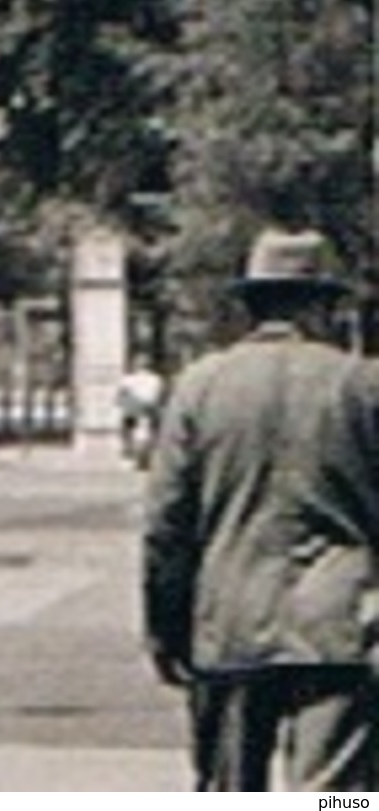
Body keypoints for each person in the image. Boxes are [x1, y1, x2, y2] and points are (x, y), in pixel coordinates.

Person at [143, 227, 379, 791]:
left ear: (251, 305)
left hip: (228, 623)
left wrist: (166, 629)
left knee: (229, 790)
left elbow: (166, 525)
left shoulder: (200, 387)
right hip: (341, 626)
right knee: (340, 797)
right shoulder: (362, 386)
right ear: (325, 306)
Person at [118, 354, 165, 469]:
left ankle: (128, 455)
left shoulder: (128, 379)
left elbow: (121, 395)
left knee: (126, 432)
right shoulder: (156, 379)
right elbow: (159, 395)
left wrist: (122, 403)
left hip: (133, 410)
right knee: (154, 431)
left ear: (135, 366)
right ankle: (148, 456)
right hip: (149, 409)